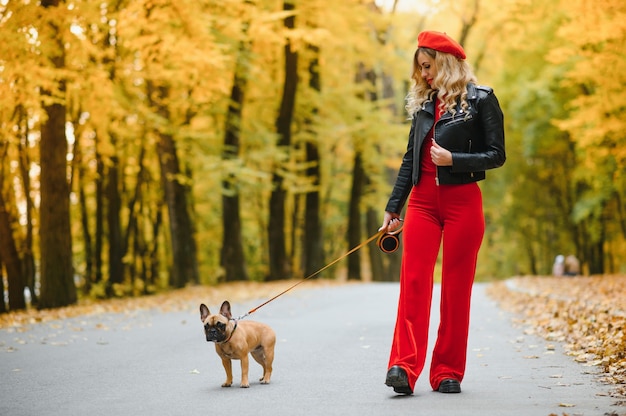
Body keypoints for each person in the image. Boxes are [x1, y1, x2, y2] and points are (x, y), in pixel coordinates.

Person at [379, 30, 505, 395]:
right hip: (421, 202)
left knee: (456, 289)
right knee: (414, 283)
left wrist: (454, 160)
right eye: (420, 68)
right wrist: (393, 206)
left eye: (428, 66)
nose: (424, 74)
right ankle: (403, 367)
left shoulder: (482, 100)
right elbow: (409, 159)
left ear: (446, 62)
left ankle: (447, 371)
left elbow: (497, 154)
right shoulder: (424, 104)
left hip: (463, 201)